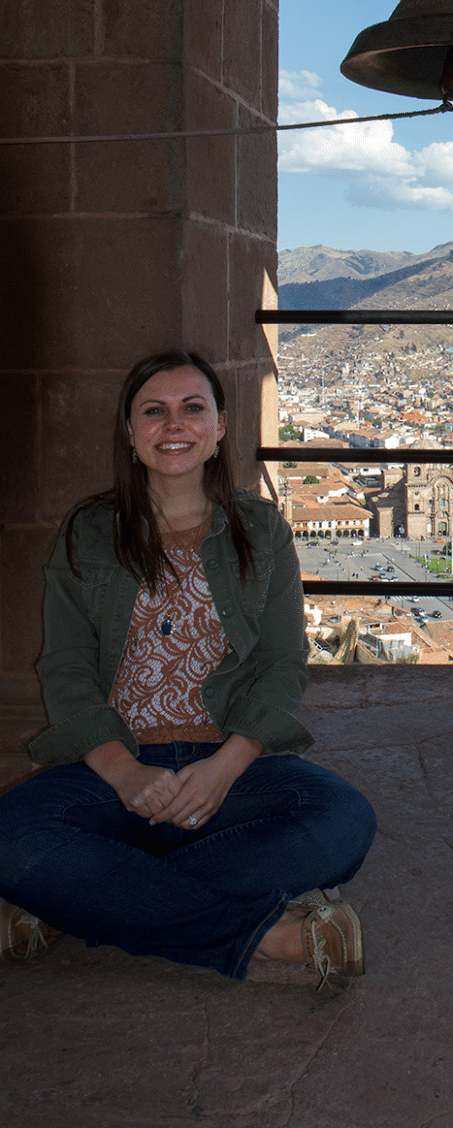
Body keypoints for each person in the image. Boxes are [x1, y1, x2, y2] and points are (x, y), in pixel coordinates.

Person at [0, 350, 376, 984]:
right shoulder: (89, 531)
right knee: (9, 833)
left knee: (342, 823)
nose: (173, 425)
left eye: (192, 408)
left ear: (220, 426)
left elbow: (285, 664)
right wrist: (124, 775)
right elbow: (64, 666)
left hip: (228, 770)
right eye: (154, 411)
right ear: (130, 431)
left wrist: (224, 771)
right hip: (111, 771)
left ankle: (78, 897)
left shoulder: (261, 530)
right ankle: (268, 939)